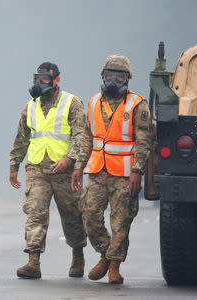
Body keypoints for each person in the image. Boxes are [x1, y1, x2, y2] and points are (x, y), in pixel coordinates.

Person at [72, 55, 152, 284]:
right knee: (89, 214)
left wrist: (138, 170)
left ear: (127, 79)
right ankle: (105, 254)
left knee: (121, 221)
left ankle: (114, 266)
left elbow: (144, 141)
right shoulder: (94, 102)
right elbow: (87, 138)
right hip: (97, 171)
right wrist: (79, 166)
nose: (113, 80)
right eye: (109, 75)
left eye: (119, 76)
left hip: (125, 175)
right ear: (102, 76)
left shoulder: (137, 104)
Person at [9, 62, 91, 279]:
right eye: (38, 79)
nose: (40, 83)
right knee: (35, 212)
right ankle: (33, 262)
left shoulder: (72, 103)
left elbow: (82, 136)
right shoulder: (30, 106)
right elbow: (22, 139)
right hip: (37, 169)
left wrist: (70, 160)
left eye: (45, 79)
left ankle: (78, 254)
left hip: (64, 170)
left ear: (57, 80)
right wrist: (14, 165)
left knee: (72, 216)